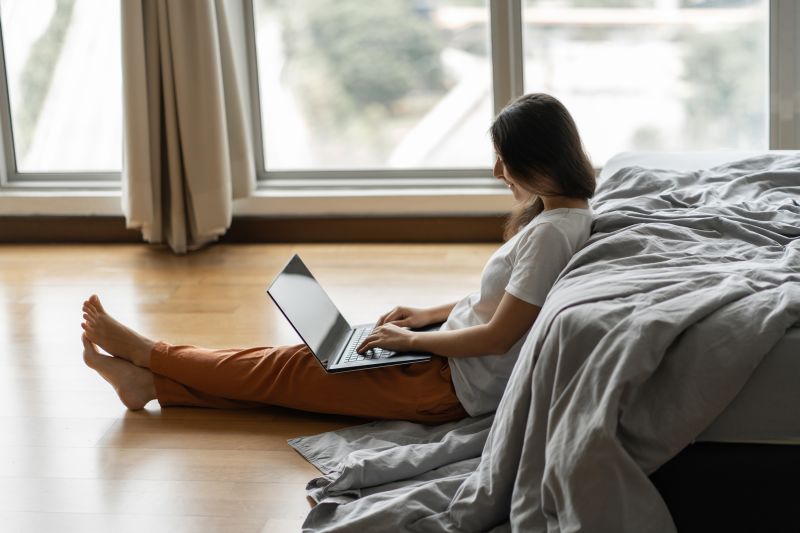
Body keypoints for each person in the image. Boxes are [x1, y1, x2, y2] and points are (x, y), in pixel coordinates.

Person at [81, 93, 596, 424]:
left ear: (538, 159)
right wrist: (428, 315)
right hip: (440, 366)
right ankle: (147, 383)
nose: (496, 173)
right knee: (291, 375)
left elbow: (498, 335)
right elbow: (505, 304)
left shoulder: (551, 232)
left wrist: (409, 340)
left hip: (443, 383)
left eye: (504, 160)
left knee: (286, 367)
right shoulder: (560, 218)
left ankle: (150, 355)